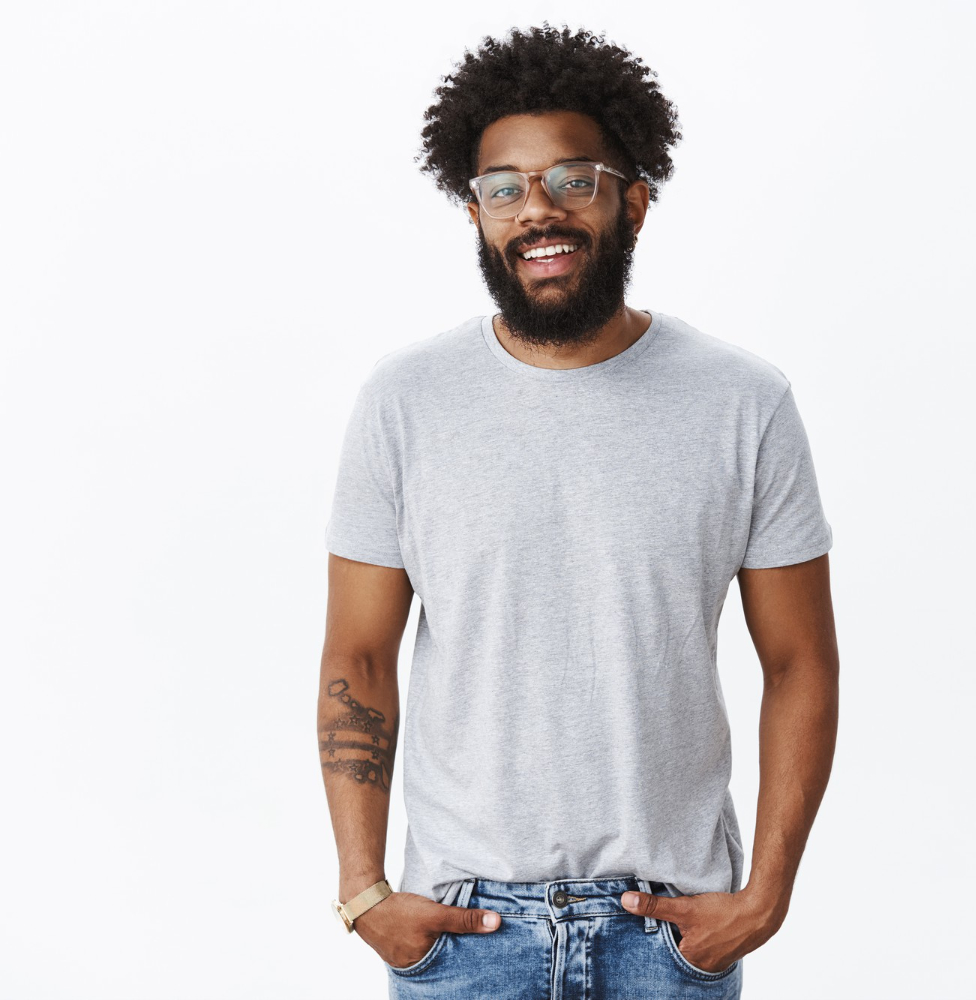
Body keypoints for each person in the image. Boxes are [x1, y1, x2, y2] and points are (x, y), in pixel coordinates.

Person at [318, 24, 839, 999]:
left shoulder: (743, 403)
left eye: (572, 179)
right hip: (463, 935)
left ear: (632, 201)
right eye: (504, 187)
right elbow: (359, 655)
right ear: (475, 213)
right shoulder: (406, 403)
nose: (537, 210)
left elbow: (799, 660)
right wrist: (363, 890)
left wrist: (765, 896)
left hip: (669, 934)